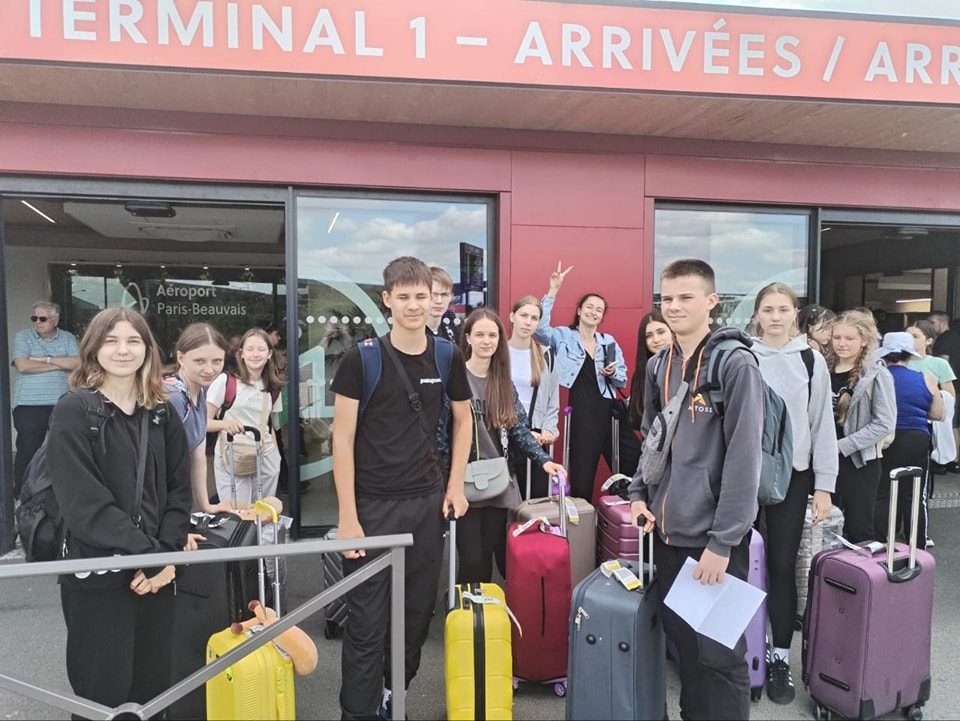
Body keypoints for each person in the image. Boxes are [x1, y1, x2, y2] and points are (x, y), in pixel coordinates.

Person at [331, 256, 472, 720]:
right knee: (367, 622)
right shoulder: (361, 359)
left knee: (414, 619)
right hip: (371, 507)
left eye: (422, 296)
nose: (414, 305)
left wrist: (455, 486)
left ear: (433, 300)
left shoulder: (447, 355)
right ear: (387, 300)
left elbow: (463, 420)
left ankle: (395, 697)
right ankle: (359, 711)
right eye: (405, 297)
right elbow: (342, 438)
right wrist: (347, 517)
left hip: (425, 505)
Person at [628, 258, 764, 720]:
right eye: (667, 298)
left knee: (720, 655)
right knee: (686, 646)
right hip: (668, 536)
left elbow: (745, 461)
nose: (674, 306)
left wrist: (722, 544)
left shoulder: (736, 364)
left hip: (714, 541)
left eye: (686, 297)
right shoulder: (659, 365)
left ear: (711, 302)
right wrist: (639, 495)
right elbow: (652, 442)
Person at [46, 307, 192, 710]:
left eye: (133, 340)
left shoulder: (162, 412)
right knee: (101, 696)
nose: (123, 350)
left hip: (156, 577)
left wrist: (166, 558)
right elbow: (84, 504)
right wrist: (152, 558)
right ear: (94, 348)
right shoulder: (74, 410)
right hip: (99, 577)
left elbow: (179, 493)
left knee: (153, 693)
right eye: (111, 341)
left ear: (148, 349)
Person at [749, 283, 838, 704]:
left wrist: (824, 485)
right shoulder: (745, 356)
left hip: (794, 475)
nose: (775, 317)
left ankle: (780, 657)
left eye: (783, 309)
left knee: (782, 565)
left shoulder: (810, 360)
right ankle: (742, 653)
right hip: (746, 474)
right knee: (739, 563)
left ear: (795, 313)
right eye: (768, 309)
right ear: (757, 314)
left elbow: (822, 425)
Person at [459, 308, 565, 582]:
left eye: (492, 335)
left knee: (487, 551)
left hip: (498, 480)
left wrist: (544, 460)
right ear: (468, 338)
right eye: (479, 335)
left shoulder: (503, 383)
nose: (486, 341)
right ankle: (465, 603)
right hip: (463, 480)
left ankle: (482, 604)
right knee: (470, 558)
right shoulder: (455, 379)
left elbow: (518, 429)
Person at [534, 262, 642, 500]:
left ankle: (627, 510)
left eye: (599, 310)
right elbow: (540, 332)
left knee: (633, 463)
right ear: (580, 310)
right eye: (590, 307)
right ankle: (582, 519)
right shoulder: (564, 336)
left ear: (602, 316)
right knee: (583, 474)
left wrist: (612, 373)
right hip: (582, 413)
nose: (594, 312)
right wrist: (553, 290)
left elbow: (622, 380)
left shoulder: (608, 341)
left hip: (611, 411)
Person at [826, 310, 897, 544]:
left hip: (860, 462)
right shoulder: (821, 368)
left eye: (849, 338)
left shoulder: (877, 374)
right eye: (837, 337)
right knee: (823, 527)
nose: (842, 344)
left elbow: (884, 423)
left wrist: (842, 445)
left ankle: (860, 569)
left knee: (859, 529)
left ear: (864, 341)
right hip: (822, 459)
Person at [874, 332, 944, 549]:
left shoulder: (877, 377)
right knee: (915, 495)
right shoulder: (926, 378)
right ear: (909, 354)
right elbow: (939, 414)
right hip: (916, 438)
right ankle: (917, 545)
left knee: (882, 492)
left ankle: (880, 543)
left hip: (884, 438)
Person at [206, 328, 284, 508]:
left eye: (261, 349)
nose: (255, 354)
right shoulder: (226, 382)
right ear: (241, 354)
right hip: (232, 456)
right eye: (250, 349)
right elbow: (203, 422)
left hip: (265, 457)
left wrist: (276, 458)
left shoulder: (273, 388)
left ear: (269, 354)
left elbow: (270, 425)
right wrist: (226, 424)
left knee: (263, 513)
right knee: (238, 512)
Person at [10, 301, 80, 497]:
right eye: (34, 318)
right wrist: (59, 364)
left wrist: (45, 359)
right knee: (28, 451)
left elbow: (78, 363)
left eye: (43, 319)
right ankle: (21, 495)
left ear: (55, 320)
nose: (37, 322)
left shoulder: (67, 338)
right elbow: (22, 365)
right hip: (29, 404)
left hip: (61, 403)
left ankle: (61, 494)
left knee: (64, 450)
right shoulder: (23, 336)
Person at [164, 322, 233, 513]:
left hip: (176, 496)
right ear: (181, 358)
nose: (209, 369)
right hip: (159, 501)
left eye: (217, 361)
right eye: (200, 361)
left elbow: (198, 455)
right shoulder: (172, 397)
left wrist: (205, 506)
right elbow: (158, 464)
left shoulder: (201, 392)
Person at [507, 295, 561, 499]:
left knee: (536, 501)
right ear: (512, 316)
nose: (528, 322)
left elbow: (552, 400)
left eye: (534, 318)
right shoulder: (498, 352)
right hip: (504, 436)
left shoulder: (546, 355)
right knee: (506, 501)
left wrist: (548, 428)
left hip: (536, 437)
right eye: (523, 315)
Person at [627, 310, 671, 430]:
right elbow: (638, 417)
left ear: (672, 331)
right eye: (648, 336)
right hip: (653, 437)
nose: (656, 339)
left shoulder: (685, 366)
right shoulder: (641, 373)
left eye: (661, 332)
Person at [928, 311, 960, 472]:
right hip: (956, 385)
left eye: (933, 323)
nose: (931, 326)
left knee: (948, 422)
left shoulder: (944, 339)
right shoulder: (955, 337)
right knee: (954, 423)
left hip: (948, 387)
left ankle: (950, 459)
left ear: (943, 322)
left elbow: (943, 361)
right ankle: (955, 460)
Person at [426, 266, 459, 343]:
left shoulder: (455, 330)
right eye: (434, 294)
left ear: (451, 297)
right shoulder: (411, 333)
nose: (439, 301)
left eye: (444, 295)